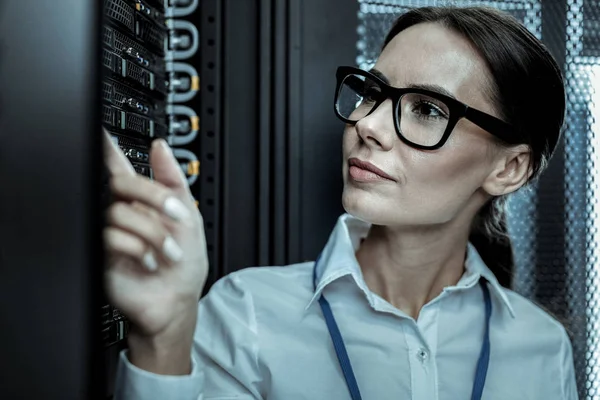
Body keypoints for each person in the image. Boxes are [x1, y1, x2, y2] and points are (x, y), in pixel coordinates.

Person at [105, 6, 577, 400]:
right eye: (372, 91)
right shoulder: (244, 313)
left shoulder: (542, 348)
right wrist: (164, 342)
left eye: (427, 109)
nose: (366, 123)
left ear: (509, 169)